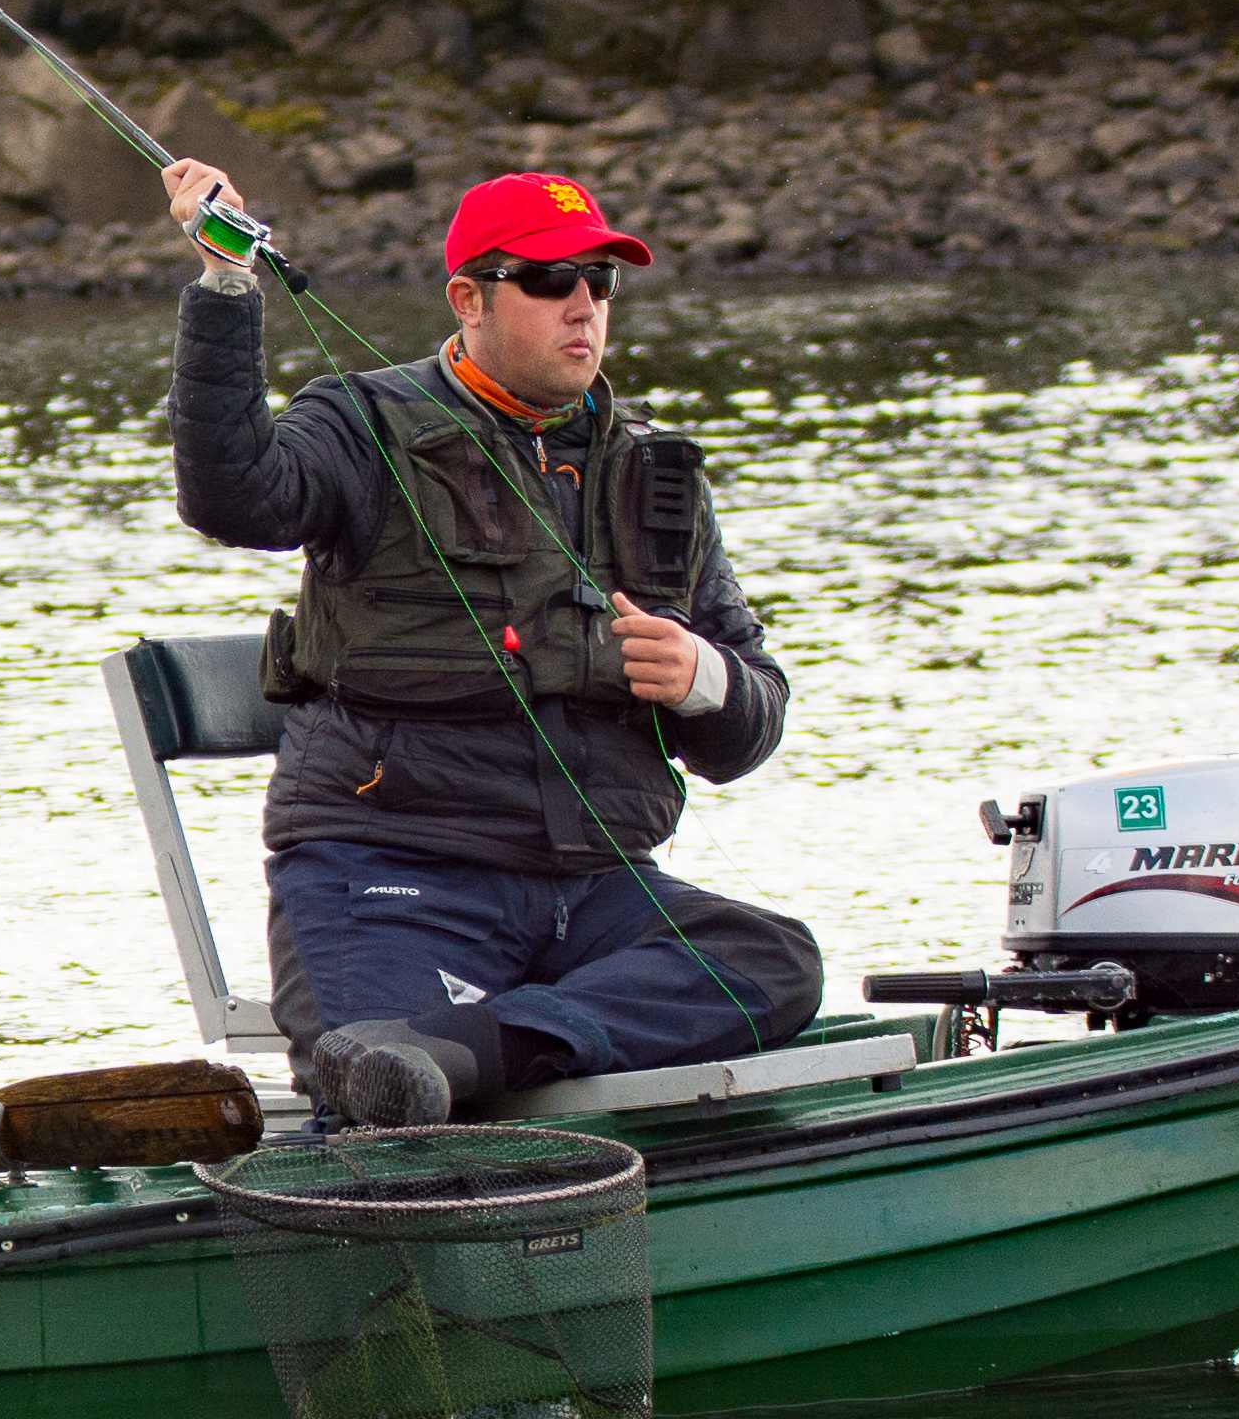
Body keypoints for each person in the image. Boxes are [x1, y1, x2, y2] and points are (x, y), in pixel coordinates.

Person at [158, 162, 824, 1124]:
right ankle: (461, 1057)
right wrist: (227, 285)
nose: (584, 306)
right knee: (375, 1076)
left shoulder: (655, 472)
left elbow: (751, 724)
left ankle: (485, 1048)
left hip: (594, 888)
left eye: (602, 281)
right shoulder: (358, 423)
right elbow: (230, 495)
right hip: (390, 873)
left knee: (775, 964)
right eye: (551, 281)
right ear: (468, 298)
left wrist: (703, 679)